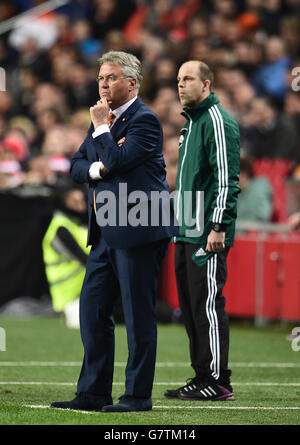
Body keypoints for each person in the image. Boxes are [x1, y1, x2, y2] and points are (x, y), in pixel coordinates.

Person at [51, 51, 177, 412]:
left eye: (111, 78)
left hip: (139, 226)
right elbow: (76, 167)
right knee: (92, 310)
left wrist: (103, 131)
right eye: (101, 78)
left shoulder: (145, 120)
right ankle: (92, 392)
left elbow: (120, 162)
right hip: (106, 228)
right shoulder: (100, 121)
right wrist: (97, 169)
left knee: (137, 315)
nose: (103, 84)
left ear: (133, 83)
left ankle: (137, 396)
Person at [165, 60, 240, 401]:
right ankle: (201, 375)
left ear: (207, 84)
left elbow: (227, 178)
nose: (181, 85)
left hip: (206, 233)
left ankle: (217, 380)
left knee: (208, 305)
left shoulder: (217, 121)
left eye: (189, 79)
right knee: (192, 305)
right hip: (186, 229)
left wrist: (218, 226)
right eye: (179, 79)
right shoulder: (190, 125)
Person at [42, 186, 90, 328]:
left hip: (88, 292)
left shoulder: (78, 225)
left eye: (81, 201)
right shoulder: (61, 228)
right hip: (72, 298)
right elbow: (85, 260)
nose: (80, 206)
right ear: (63, 203)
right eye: (74, 202)